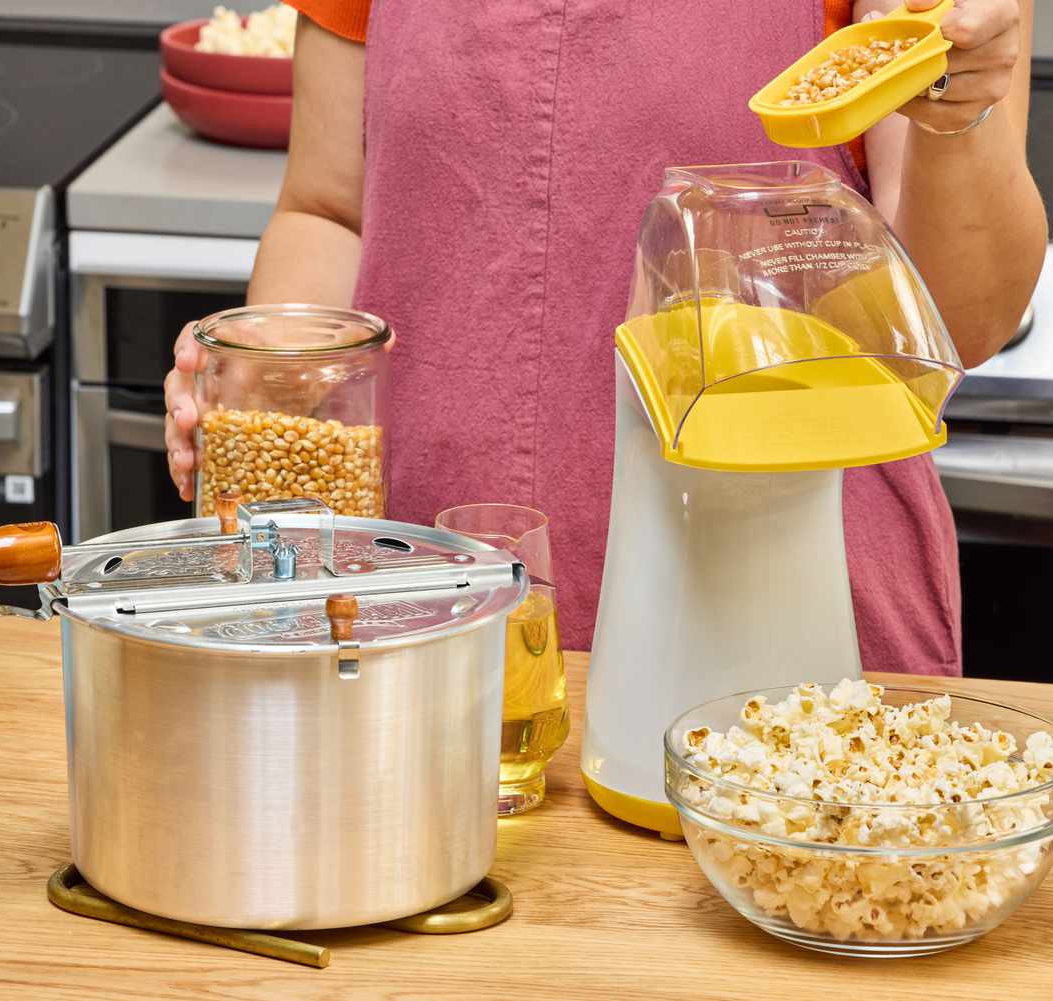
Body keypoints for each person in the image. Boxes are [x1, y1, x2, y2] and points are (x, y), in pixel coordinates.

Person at [163, 0, 1045, 676]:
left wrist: (957, 118)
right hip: (417, 596)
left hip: (778, 608)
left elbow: (958, 318)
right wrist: (265, 388)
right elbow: (329, 211)